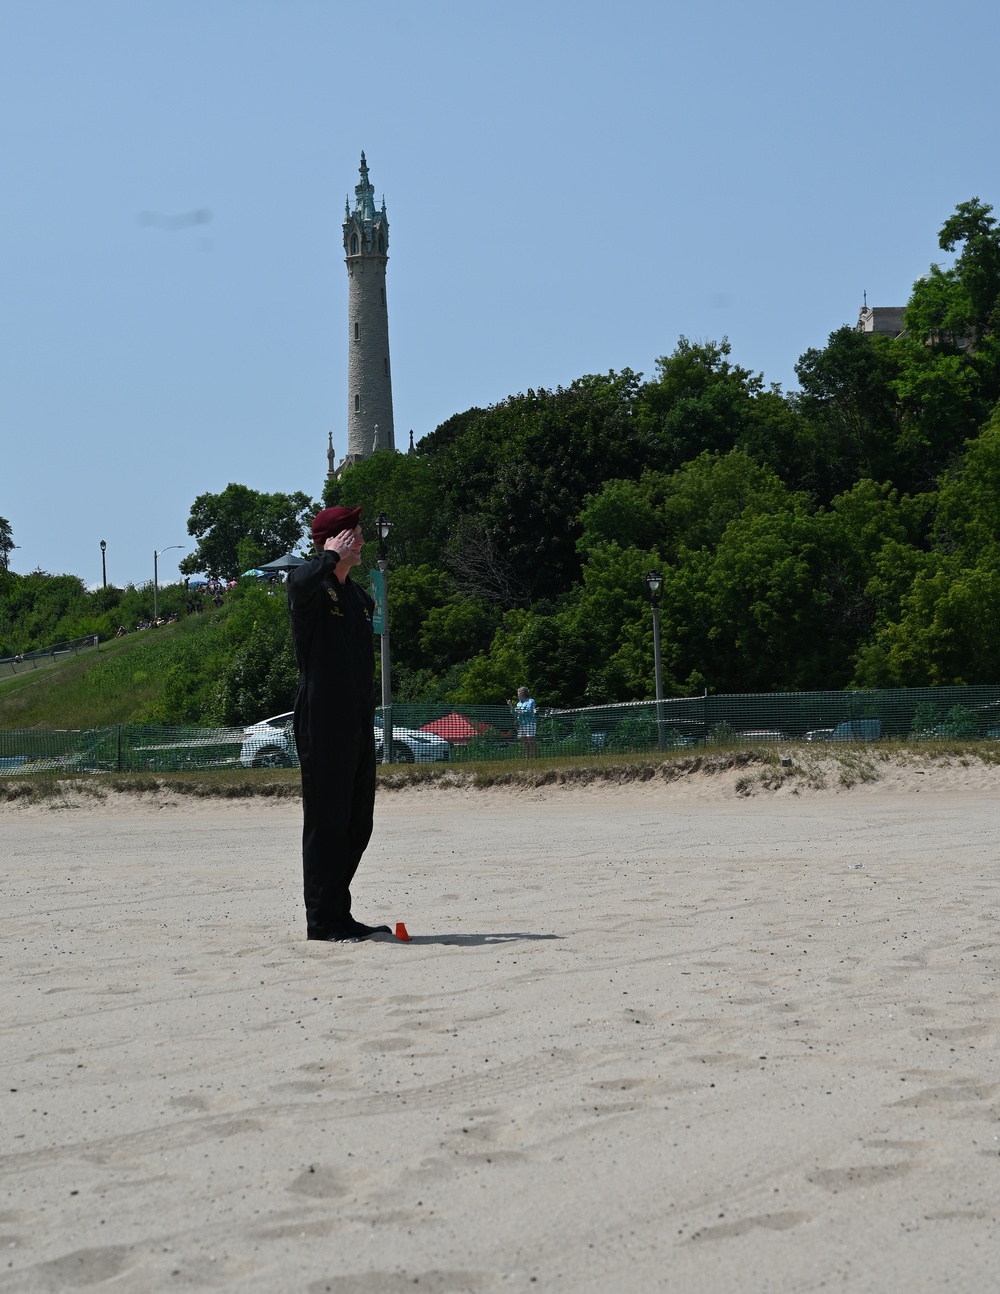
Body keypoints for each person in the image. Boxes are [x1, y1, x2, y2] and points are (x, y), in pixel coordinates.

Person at [285, 505, 391, 943]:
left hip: (357, 722)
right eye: (355, 536)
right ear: (335, 540)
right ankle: (323, 921)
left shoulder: (357, 598)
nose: (362, 542)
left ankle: (338, 911)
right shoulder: (311, 586)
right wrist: (328, 556)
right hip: (323, 721)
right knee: (326, 821)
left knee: (356, 822)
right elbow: (298, 581)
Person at [511, 686, 538, 758]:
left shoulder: (531, 701)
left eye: (518, 693)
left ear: (522, 693)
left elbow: (529, 710)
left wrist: (520, 711)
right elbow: (515, 713)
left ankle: (536, 756)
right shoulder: (519, 703)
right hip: (522, 723)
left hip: (530, 722)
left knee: (530, 739)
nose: (517, 695)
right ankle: (527, 757)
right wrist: (511, 706)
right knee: (524, 740)